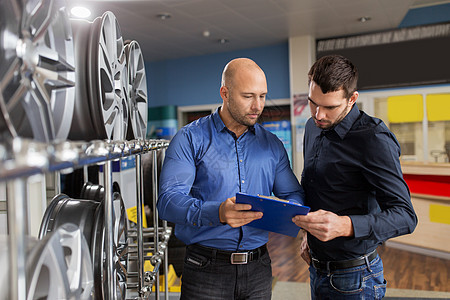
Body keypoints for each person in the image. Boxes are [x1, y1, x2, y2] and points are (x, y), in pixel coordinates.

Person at [157, 58, 304, 299]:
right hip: (205, 269)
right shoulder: (189, 139)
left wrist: (286, 210)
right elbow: (168, 202)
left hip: (259, 268)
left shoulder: (272, 145)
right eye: (248, 96)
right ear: (225, 93)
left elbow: (293, 194)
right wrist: (218, 212)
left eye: (262, 96)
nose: (258, 106)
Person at [292, 54, 418, 300]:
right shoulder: (311, 127)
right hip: (316, 270)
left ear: (352, 99)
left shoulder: (374, 139)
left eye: (330, 107)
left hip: (356, 278)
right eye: (312, 103)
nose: (318, 115)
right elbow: (318, 190)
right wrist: (309, 234)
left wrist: (345, 225)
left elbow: (405, 217)